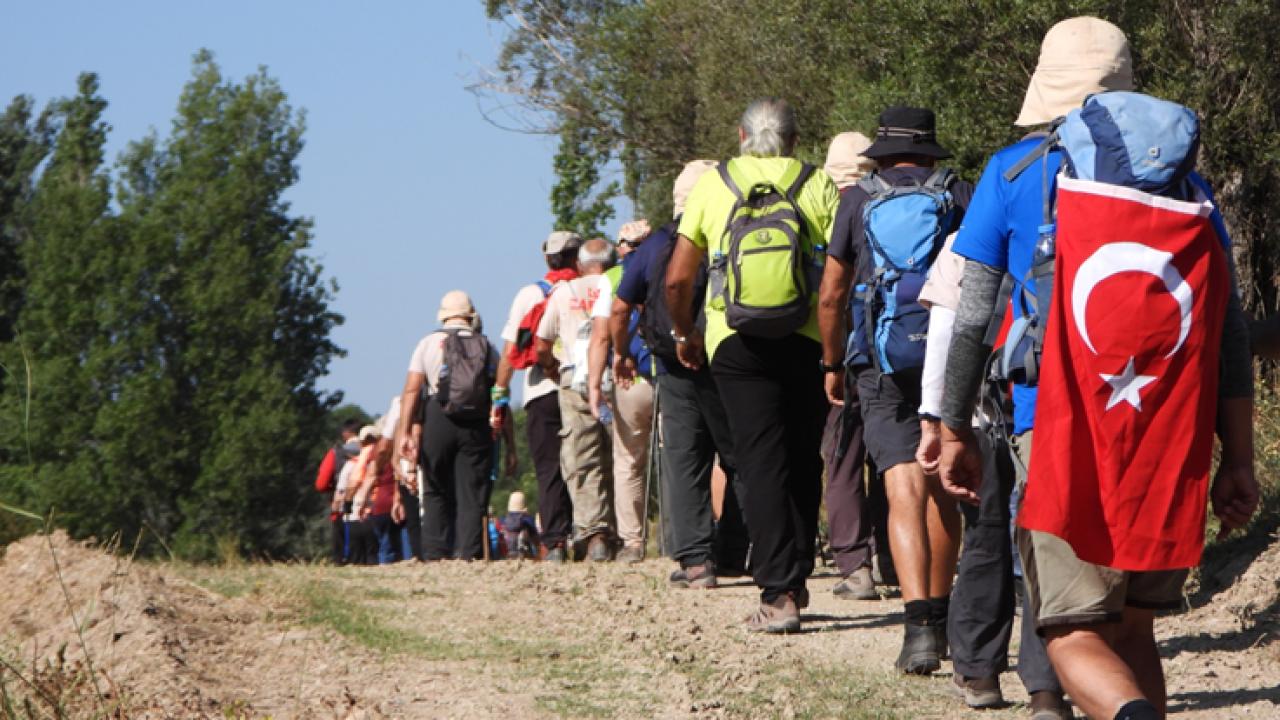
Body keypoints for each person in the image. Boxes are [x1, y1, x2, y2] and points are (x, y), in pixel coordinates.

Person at [937, 17, 1256, 720]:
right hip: (1170, 435)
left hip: (1055, 430)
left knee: (1071, 633)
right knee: (1135, 627)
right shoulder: (1189, 187)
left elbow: (971, 317)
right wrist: (1239, 455)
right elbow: (1227, 332)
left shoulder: (1012, 171)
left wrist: (953, 425)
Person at [667, 98, 838, 632]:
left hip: (735, 339)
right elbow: (839, 276)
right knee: (804, 457)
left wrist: (686, 332)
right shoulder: (817, 184)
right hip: (807, 335)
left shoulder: (714, 185)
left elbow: (677, 279)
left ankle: (778, 593)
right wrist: (837, 350)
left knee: (760, 460)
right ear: (793, 140)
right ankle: (799, 574)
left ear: (741, 135)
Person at [818, 106, 972, 673]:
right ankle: (945, 613)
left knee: (901, 486)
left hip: (879, 360)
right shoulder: (957, 192)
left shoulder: (857, 199)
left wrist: (833, 362)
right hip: (949, 357)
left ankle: (918, 631)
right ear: (931, 150)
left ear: (880, 153)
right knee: (943, 485)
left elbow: (833, 294)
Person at [913, 234, 1063, 710]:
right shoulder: (1077, 224)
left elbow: (945, 337)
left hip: (984, 413)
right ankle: (1047, 686)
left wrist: (936, 419)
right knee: (1047, 543)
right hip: (1050, 411)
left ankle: (978, 672)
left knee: (985, 534)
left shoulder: (966, 241)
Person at [607, 160, 751, 587]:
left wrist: (622, 355)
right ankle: (734, 550)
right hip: (727, 362)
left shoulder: (653, 247)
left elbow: (619, 309)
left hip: (672, 365)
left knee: (684, 458)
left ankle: (695, 561)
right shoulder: (731, 234)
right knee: (738, 457)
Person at [817, 131, 891, 600]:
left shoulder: (832, 209)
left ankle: (855, 566)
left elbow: (828, 294)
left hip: (845, 352)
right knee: (893, 458)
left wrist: (831, 360)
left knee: (841, 455)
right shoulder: (894, 199)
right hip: (897, 347)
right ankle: (903, 562)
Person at [492, 231, 580, 562]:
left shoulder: (530, 293)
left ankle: (555, 542)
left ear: (547, 259)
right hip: (583, 388)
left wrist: (499, 397)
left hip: (540, 390)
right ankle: (591, 535)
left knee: (549, 468)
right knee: (586, 464)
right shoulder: (587, 290)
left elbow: (510, 351)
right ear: (577, 256)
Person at [396, 290, 501, 561]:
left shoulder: (428, 343)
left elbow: (411, 390)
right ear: (471, 315)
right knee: (471, 491)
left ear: (443, 316)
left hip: (437, 417)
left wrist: (406, 432)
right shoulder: (487, 347)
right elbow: (499, 390)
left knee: (435, 487)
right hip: (476, 422)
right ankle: (469, 553)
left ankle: (435, 552)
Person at [536, 237, 617, 561]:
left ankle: (593, 533)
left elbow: (542, 344)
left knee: (582, 458)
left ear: (580, 265)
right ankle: (624, 534)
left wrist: (555, 372)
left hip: (574, 379)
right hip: (615, 375)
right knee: (620, 458)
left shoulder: (564, 292)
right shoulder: (619, 283)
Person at [587, 220, 656, 564]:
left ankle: (633, 542)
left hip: (631, 379)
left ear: (622, 248)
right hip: (670, 375)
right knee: (680, 457)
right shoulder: (670, 261)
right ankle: (685, 541)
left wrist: (595, 385)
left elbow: (601, 335)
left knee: (629, 460)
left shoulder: (612, 278)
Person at [315, 418, 360, 563]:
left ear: (345, 433)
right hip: (369, 510)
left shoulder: (335, 453)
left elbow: (321, 484)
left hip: (341, 509)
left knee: (340, 557)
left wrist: (332, 489)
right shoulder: (372, 450)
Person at [503, 491, 541, 559]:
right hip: (524, 552)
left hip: (509, 551)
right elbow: (535, 536)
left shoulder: (505, 520)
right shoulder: (526, 519)